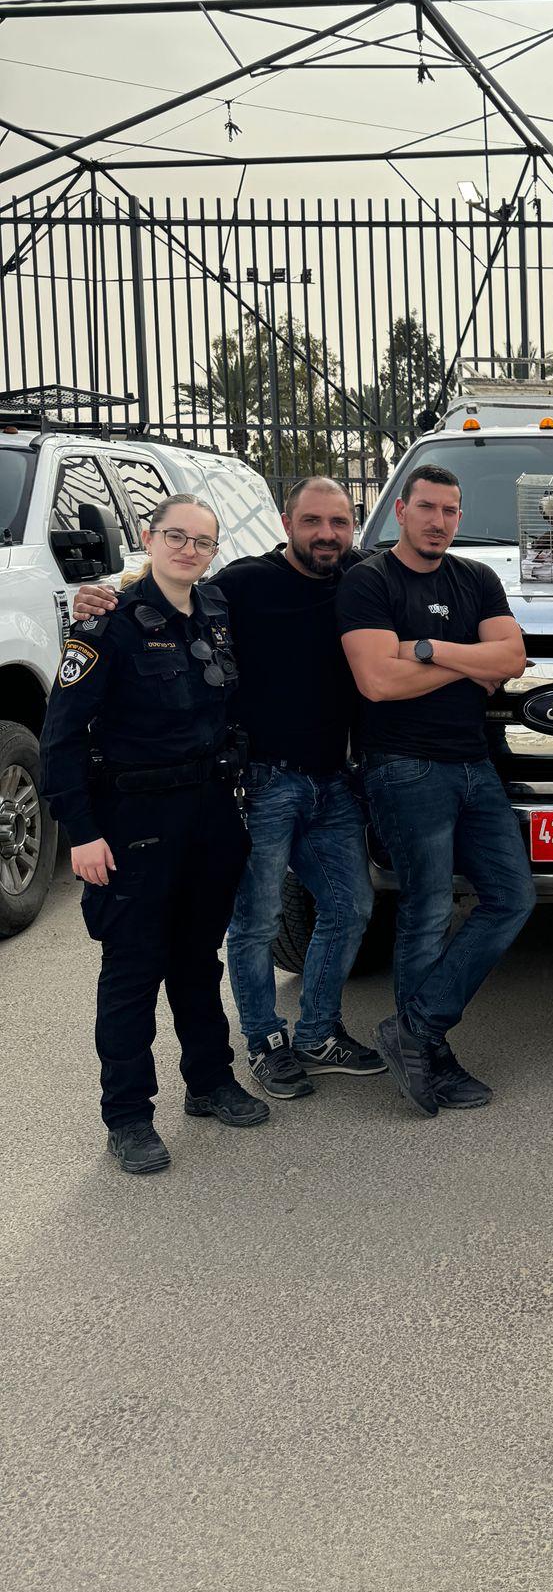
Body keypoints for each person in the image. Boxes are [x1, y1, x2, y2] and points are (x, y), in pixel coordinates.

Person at [74, 476, 385, 1100]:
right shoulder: (242, 583)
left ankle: (317, 1034)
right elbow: (173, 591)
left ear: (354, 526)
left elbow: (423, 573)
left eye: (340, 522)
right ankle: (265, 1042)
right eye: (312, 521)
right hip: (263, 782)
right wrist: (104, 598)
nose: (326, 534)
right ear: (286, 524)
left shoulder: (362, 577)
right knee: (256, 921)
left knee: (350, 906)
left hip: (333, 782)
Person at [40, 495, 268, 1174]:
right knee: (133, 970)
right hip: (133, 819)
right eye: (176, 536)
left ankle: (209, 1080)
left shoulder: (217, 610)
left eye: (202, 541)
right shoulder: (105, 623)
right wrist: (81, 832)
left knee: (198, 959)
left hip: (209, 811)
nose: (188, 550)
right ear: (149, 536)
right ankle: (128, 1116)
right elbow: (60, 738)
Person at [338, 463, 536, 1118]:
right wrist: (466, 662)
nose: (439, 522)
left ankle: (415, 1032)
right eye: (427, 508)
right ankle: (429, 1051)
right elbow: (377, 683)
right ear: (401, 510)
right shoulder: (370, 581)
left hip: (475, 765)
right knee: (425, 910)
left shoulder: (476, 578)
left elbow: (512, 659)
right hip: (403, 766)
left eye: (450, 511)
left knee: (512, 896)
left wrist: (423, 649)